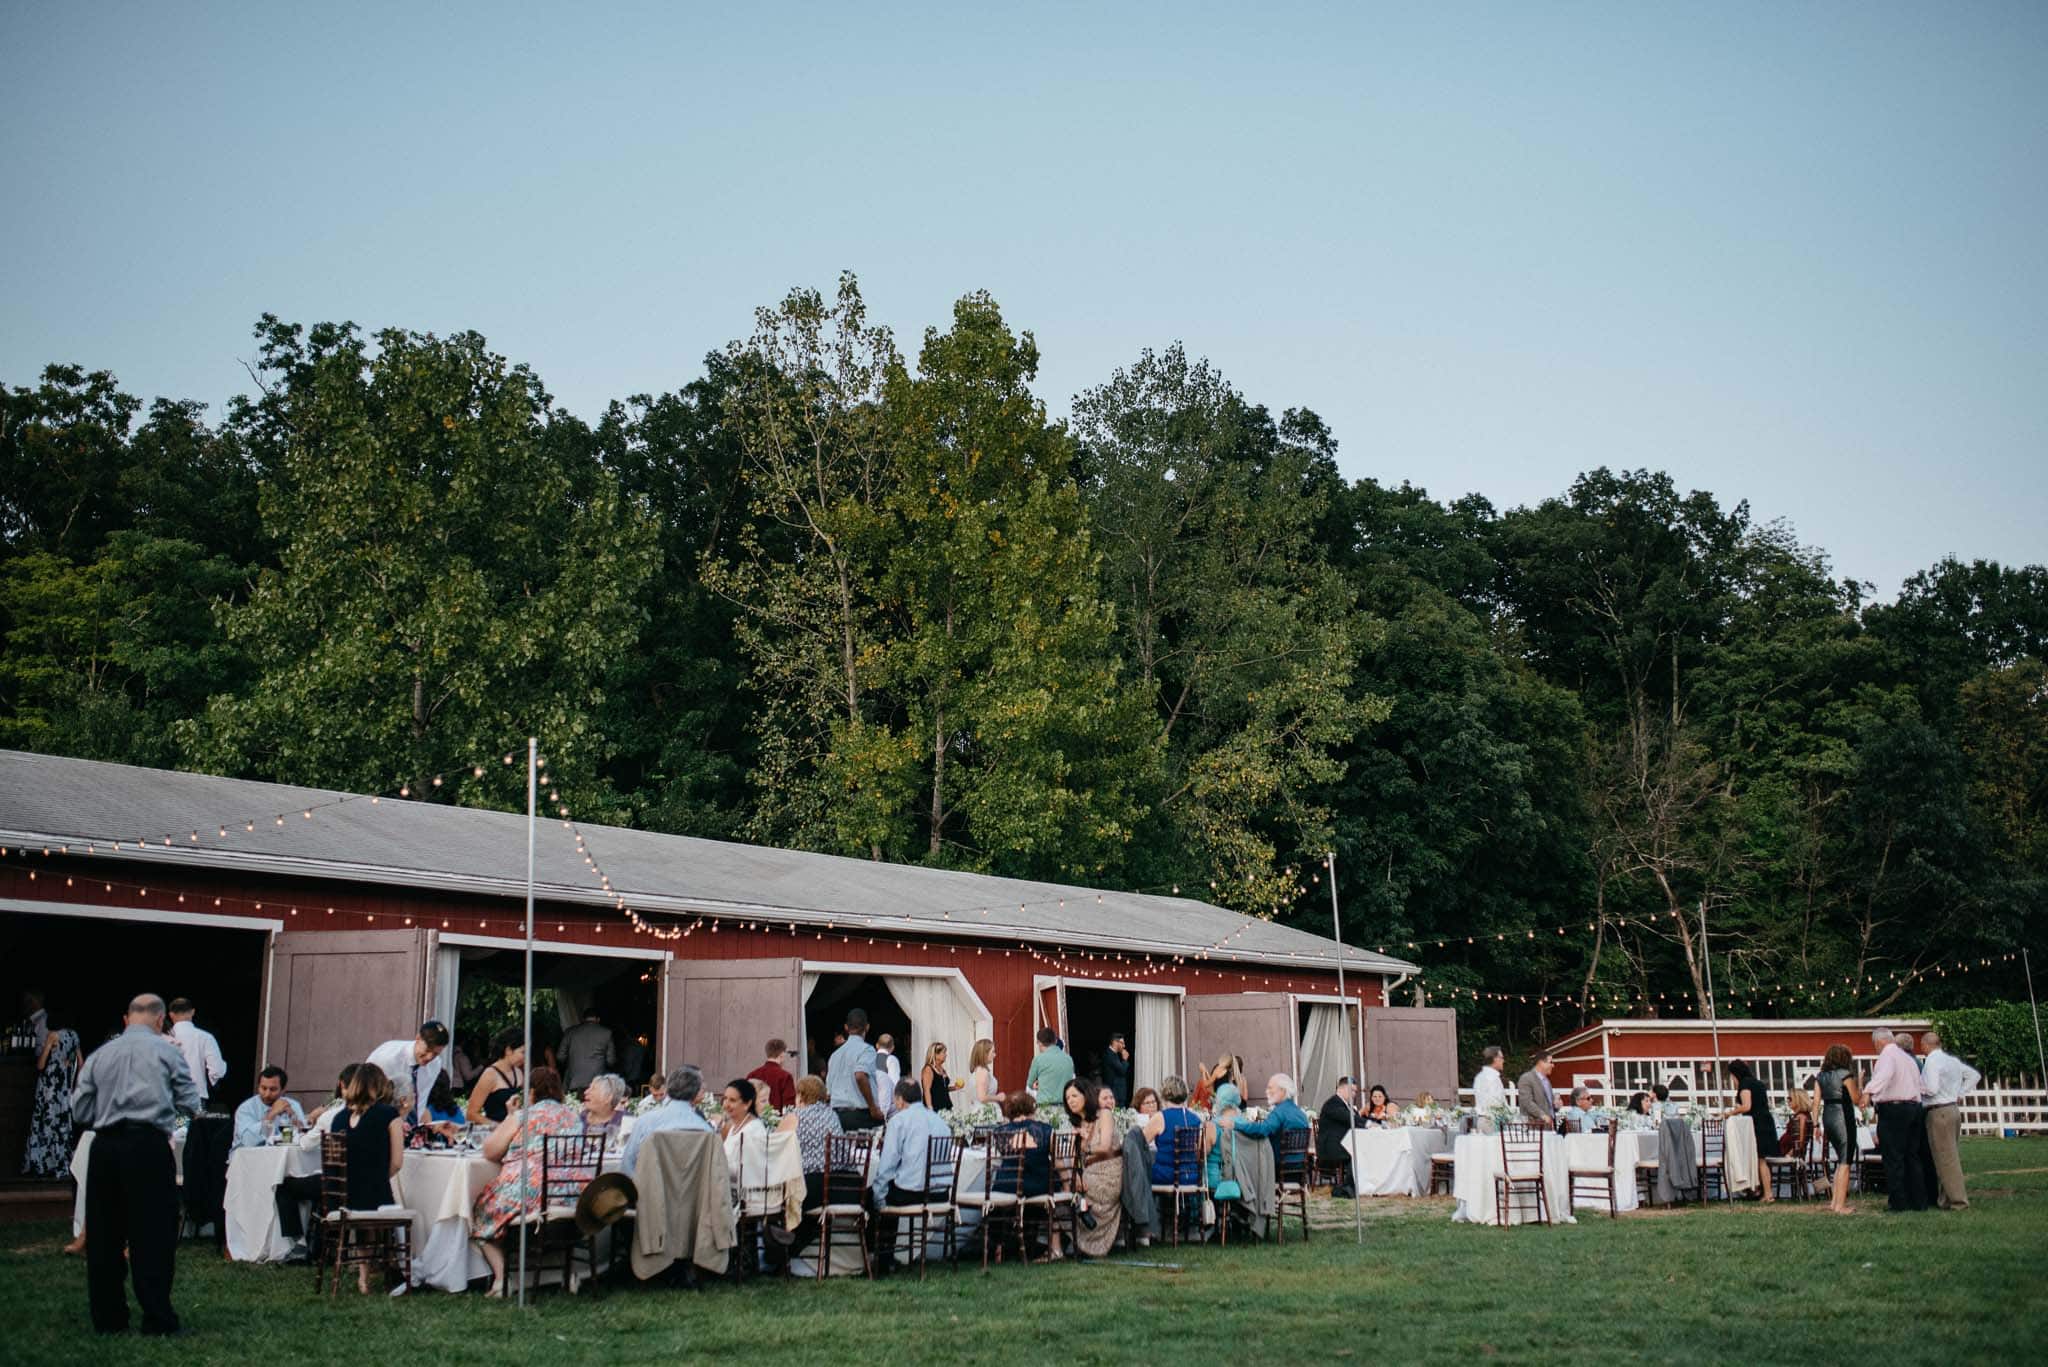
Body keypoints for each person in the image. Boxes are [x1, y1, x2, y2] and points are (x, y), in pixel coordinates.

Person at [70, 992, 198, 1335]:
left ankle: (109, 1318)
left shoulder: (101, 1055)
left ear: (127, 1019)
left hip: (106, 1147)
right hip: (148, 1146)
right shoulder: (168, 1052)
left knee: (104, 1235)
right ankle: (157, 1317)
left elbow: (80, 1109)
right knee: (153, 1232)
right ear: (161, 1021)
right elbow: (191, 1101)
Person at [472, 1066, 584, 1296]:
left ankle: (502, 1278)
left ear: (531, 1092)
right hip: (570, 1195)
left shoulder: (523, 1116)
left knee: (482, 1211)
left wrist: (510, 1117)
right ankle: (563, 1272)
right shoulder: (573, 1116)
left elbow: (490, 1151)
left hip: (531, 1193)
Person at [868, 1078, 951, 1274]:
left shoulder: (899, 1121)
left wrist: (879, 1198)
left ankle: (880, 1259)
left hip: (913, 1193)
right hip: (940, 1193)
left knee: (873, 1195)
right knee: (888, 1191)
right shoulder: (939, 1120)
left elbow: (887, 1164)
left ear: (899, 1100)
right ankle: (888, 1258)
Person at [774, 1074, 843, 1266]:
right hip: (838, 1183)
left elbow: (775, 1146)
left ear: (801, 1095)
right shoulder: (832, 1114)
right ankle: (792, 1251)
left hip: (812, 1183)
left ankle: (781, 1252)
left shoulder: (795, 1117)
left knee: (782, 1199)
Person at [993, 1088, 1062, 1261]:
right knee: (1052, 1185)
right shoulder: (1046, 1130)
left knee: (996, 1196)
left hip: (1008, 1185)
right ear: (1032, 1108)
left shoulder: (999, 1132)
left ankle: (999, 1248)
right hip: (1038, 1185)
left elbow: (996, 1159)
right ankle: (1052, 1247)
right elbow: (1058, 1160)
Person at [1865, 1028, 1929, 1211]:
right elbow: (1921, 1085)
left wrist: (1868, 1092)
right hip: (1914, 1107)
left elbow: (1883, 1077)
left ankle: (1898, 1202)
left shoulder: (1887, 1055)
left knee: (1894, 1157)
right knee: (1912, 1156)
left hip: (1894, 1110)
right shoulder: (1908, 1059)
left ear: (1878, 1042)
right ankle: (1918, 1200)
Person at [1918, 1030, 1981, 1210]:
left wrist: (1917, 1087)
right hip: (1953, 1109)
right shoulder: (1952, 1061)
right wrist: (1960, 1093)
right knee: (1948, 1155)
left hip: (1939, 1111)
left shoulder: (1931, 1061)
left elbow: (1931, 1088)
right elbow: (1974, 1075)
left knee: (1946, 1158)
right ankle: (1945, 1199)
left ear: (1926, 1045)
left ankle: (1958, 1201)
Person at [620, 1065, 714, 1179]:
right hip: (691, 1194)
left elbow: (627, 1165)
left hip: (650, 1191)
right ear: (696, 1092)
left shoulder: (645, 1122)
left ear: (667, 1089)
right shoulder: (706, 1130)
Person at [21, 1000, 80, 1178]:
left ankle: (43, 1164)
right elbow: (82, 1063)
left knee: (45, 1123)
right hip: (64, 1089)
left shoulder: (53, 1035)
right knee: (62, 1124)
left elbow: (40, 1065)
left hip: (49, 1087)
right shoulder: (74, 1036)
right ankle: (61, 1161)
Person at [1812, 1044, 1865, 1215]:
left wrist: (1815, 1126)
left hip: (1828, 1117)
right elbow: (1856, 1099)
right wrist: (1861, 1082)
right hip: (1843, 1116)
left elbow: (1815, 1102)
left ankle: (1834, 1201)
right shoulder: (1845, 1075)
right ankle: (1840, 1205)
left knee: (1840, 1159)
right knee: (1845, 1161)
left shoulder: (1821, 1076)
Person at [365, 1019, 450, 1126]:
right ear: (418, 1038)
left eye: (435, 1054)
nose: (429, 1057)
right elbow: (367, 1095)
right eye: (427, 1050)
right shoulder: (387, 1058)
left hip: (408, 1128)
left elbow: (421, 1101)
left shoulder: (435, 1064)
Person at [1074, 1081, 1124, 1257]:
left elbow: (1104, 1147)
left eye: (1111, 1097)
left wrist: (1084, 1149)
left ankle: (1065, 1240)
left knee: (1066, 1188)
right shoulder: (1087, 1120)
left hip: (1107, 1174)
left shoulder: (1106, 1115)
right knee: (1067, 1185)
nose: (1110, 1101)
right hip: (1090, 1171)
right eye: (1105, 1097)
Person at [1719, 1060, 1778, 1201]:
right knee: (1760, 1159)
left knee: (1760, 1159)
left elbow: (1746, 1106)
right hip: (1766, 1121)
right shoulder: (1757, 1083)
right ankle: (1761, 1191)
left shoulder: (1745, 1084)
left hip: (1757, 1124)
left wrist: (1729, 1113)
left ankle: (1768, 1193)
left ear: (1735, 1074)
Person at [165, 997, 227, 1111]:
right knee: (186, 1128)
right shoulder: (205, 1038)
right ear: (192, 1012)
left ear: (171, 1015)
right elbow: (217, 1070)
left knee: (169, 1129)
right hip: (193, 1098)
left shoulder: (161, 1039)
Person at [826, 1009, 883, 1132]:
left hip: (837, 1116)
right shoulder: (867, 1050)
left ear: (846, 1028)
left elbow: (828, 1092)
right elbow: (860, 1075)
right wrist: (873, 1108)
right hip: (860, 1115)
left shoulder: (835, 1055)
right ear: (867, 1027)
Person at [232, 1066, 307, 1150]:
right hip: (247, 1159)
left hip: (280, 1158)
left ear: (283, 1090)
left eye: (273, 1089)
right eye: (263, 1088)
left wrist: (294, 1120)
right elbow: (248, 1142)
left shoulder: (293, 1105)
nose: (267, 1094)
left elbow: (303, 1138)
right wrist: (271, 1114)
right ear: (258, 1087)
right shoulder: (246, 1108)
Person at [465, 1029, 527, 1126]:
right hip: (495, 1132)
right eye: (523, 1052)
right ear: (508, 1050)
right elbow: (471, 1114)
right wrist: (497, 1127)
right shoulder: (490, 1074)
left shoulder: (519, 1072)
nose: (525, 1057)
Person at [1318, 1077, 1360, 1198]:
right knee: (1357, 1153)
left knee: (1362, 1150)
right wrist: (1368, 1124)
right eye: (1352, 1090)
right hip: (1331, 1147)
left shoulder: (1347, 1105)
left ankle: (1358, 1185)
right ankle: (1349, 1187)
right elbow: (1350, 1119)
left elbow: (1357, 1118)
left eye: (1355, 1091)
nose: (1354, 1094)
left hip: (1342, 1144)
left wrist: (1375, 1122)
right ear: (1341, 1088)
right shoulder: (1333, 1103)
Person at [558, 1007, 617, 1092]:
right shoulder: (607, 1033)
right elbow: (611, 1061)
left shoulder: (570, 1032)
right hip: (597, 1084)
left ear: (583, 1019)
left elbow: (560, 1057)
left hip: (573, 1083)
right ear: (598, 1019)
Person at [1025, 1027, 1075, 1102]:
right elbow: (1071, 1082)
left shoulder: (1038, 1059)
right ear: (1055, 1041)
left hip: (1045, 1107)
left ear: (1039, 1043)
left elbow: (1029, 1084)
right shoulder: (1069, 1059)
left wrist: (1037, 1085)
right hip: (1064, 1106)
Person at [747, 1038, 798, 1111]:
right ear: (782, 1055)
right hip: (777, 1121)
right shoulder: (785, 1076)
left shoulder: (752, 1075)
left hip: (754, 1119)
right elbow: (789, 1106)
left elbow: (745, 1100)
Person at [581, 1073, 629, 1141]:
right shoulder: (580, 1119)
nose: (586, 1092)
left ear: (608, 1098)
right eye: (589, 1088)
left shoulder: (624, 1121)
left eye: (593, 1089)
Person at [1516, 1049, 1557, 1126]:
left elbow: (1548, 1105)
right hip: (1534, 1128)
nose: (1553, 1065)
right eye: (1551, 1062)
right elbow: (1527, 1102)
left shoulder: (1547, 1081)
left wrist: (1555, 1105)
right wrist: (1543, 1116)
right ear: (1541, 1063)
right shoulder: (1526, 1078)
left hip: (1549, 1127)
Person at [1471, 1046, 1508, 1127]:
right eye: (1502, 1058)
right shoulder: (1491, 1078)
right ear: (1495, 1059)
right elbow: (1494, 1103)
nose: (1503, 1061)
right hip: (1491, 1121)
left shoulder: (1480, 1076)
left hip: (1483, 1120)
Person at [919, 1042, 954, 1111]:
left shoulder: (942, 1069)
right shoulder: (928, 1069)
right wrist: (930, 1108)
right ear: (935, 1055)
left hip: (946, 1106)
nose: (946, 1055)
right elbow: (927, 1090)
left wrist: (955, 1088)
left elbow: (941, 1089)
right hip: (935, 1107)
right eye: (943, 1052)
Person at [1100, 1032, 1132, 1108]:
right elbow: (1122, 1071)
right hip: (1115, 1093)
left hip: (1118, 1093)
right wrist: (1125, 1060)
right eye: (1122, 1043)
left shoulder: (1114, 1055)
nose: (1124, 1046)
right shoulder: (1109, 1054)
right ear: (1115, 1042)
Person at [967, 1038, 1002, 1105]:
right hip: (986, 1111)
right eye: (993, 1052)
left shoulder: (978, 1070)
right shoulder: (982, 1071)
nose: (995, 1055)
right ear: (985, 1054)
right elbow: (982, 1097)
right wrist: (998, 1097)